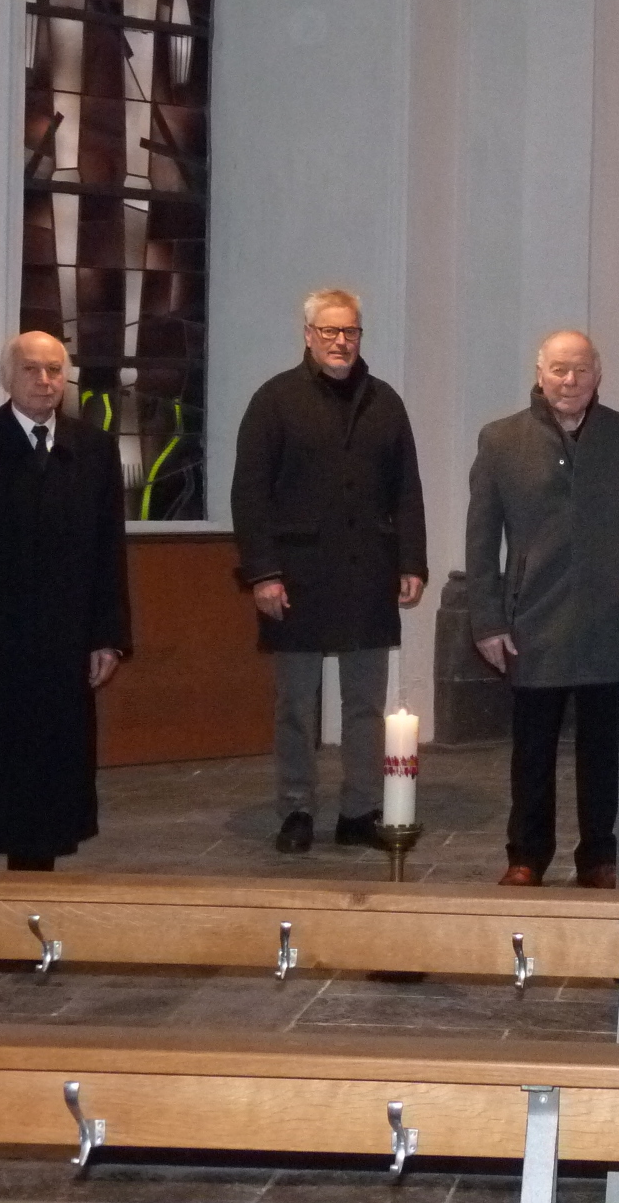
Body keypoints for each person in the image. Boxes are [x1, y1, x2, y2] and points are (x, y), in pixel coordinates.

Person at [464, 329, 619, 888]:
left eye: (580, 369)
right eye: (559, 369)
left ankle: (599, 855)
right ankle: (527, 854)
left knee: (602, 751)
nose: (570, 380)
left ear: (597, 374)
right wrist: (486, 620)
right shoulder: (500, 441)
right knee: (531, 751)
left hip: (609, 620)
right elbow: (481, 541)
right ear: (539, 373)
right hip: (531, 623)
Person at [0, 331, 132, 870]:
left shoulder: (93, 449)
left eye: (55, 371)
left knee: (46, 795)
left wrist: (107, 635)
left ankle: (27, 920)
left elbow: (108, 550)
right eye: (33, 370)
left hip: (60, 653)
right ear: (8, 378)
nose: (45, 381)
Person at [232, 288, 428, 854]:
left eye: (351, 332)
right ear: (308, 336)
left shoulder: (385, 401)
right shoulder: (274, 400)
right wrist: (263, 573)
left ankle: (359, 809)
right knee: (296, 703)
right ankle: (296, 808)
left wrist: (412, 560)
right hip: (296, 578)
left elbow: (407, 490)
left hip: (368, 572)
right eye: (330, 332)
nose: (341, 342)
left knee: (365, 704)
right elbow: (250, 495)